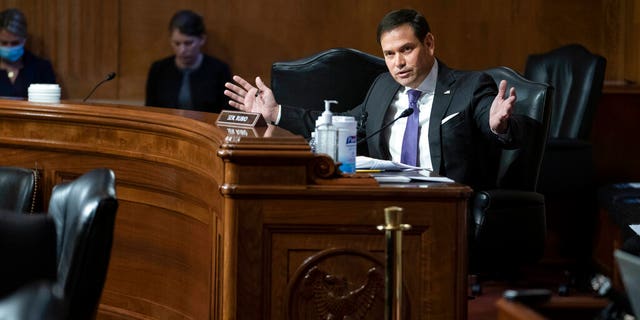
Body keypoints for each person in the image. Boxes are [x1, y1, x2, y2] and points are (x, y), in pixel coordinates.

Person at [224, 8, 529, 189]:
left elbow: (515, 130)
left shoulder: (470, 87)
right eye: (389, 54)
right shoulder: (383, 88)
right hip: (387, 199)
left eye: (406, 49)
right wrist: (276, 112)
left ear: (430, 43)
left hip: (445, 204)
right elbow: (339, 125)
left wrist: (499, 125)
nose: (398, 63)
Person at [145, 9, 231, 113]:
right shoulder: (158, 70)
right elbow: (150, 110)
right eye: (177, 43)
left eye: (188, 43)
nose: (182, 50)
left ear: (202, 39)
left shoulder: (219, 70)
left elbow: (227, 112)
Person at [0, 8, 56, 98]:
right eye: (4, 43)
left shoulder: (41, 68)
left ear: (24, 40)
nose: (9, 47)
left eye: (15, 43)